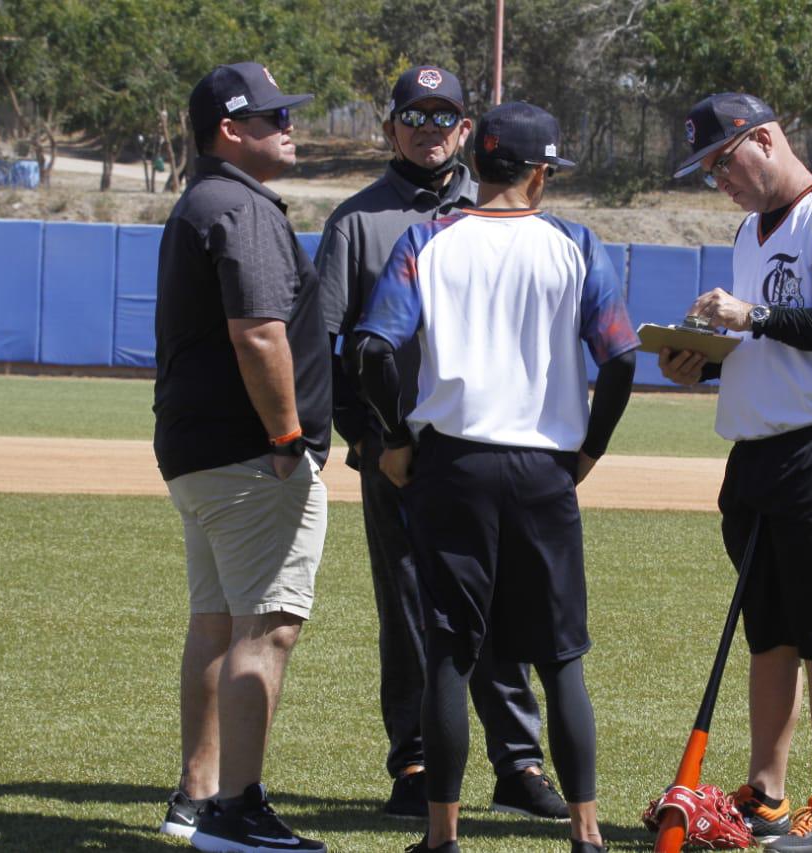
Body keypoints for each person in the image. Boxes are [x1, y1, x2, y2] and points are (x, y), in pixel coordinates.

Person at [355, 101, 638, 853]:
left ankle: (442, 836)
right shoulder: (575, 243)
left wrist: (391, 441)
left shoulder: (428, 237)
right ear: (540, 173)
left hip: (453, 463)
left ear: (475, 165)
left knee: (451, 651)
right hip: (546, 467)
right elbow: (620, 357)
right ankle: (586, 833)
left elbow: (375, 350)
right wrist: (590, 451)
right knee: (561, 656)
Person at [315, 66, 567, 821]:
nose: (429, 129)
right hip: (397, 450)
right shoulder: (357, 222)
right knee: (410, 609)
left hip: (491, 445)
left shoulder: (499, 214)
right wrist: (369, 440)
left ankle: (517, 761)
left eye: (444, 117)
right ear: (389, 127)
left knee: (502, 604)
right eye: (413, 116)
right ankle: (416, 758)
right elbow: (326, 348)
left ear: (466, 132)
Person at [659, 92, 812, 853]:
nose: (718, 178)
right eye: (708, 169)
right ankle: (767, 793)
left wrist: (750, 318)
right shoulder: (748, 232)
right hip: (758, 454)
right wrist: (702, 363)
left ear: (763, 141)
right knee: (770, 631)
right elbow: (772, 347)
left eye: (722, 161)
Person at [153, 61, 330, 853]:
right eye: (271, 117)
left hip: (198, 452)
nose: (287, 126)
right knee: (269, 627)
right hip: (250, 455)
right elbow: (257, 332)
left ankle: (196, 797)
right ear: (230, 130)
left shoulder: (202, 200)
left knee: (217, 625)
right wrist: (288, 437)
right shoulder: (239, 204)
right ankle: (237, 809)